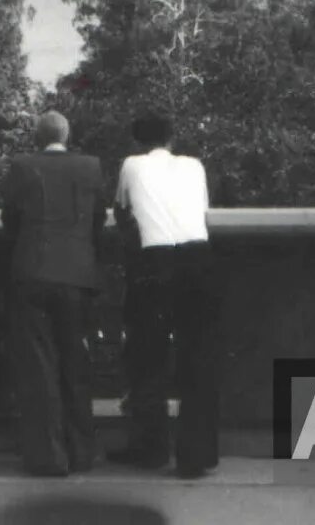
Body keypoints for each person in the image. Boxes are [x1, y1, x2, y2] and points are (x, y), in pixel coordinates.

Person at [109, 112, 220, 479]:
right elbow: (201, 212)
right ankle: (197, 454)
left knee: (148, 355)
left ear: (137, 141)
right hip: (198, 257)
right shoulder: (194, 166)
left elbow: (122, 212)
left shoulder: (131, 166)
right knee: (199, 355)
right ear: (172, 138)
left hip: (155, 260)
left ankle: (151, 447)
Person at [0, 110, 107, 477]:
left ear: (36, 135)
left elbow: (9, 220)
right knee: (76, 365)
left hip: (32, 272)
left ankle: (48, 456)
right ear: (68, 134)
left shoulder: (21, 166)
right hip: (77, 275)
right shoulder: (91, 167)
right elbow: (97, 222)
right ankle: (81, 454)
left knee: (40, 367)